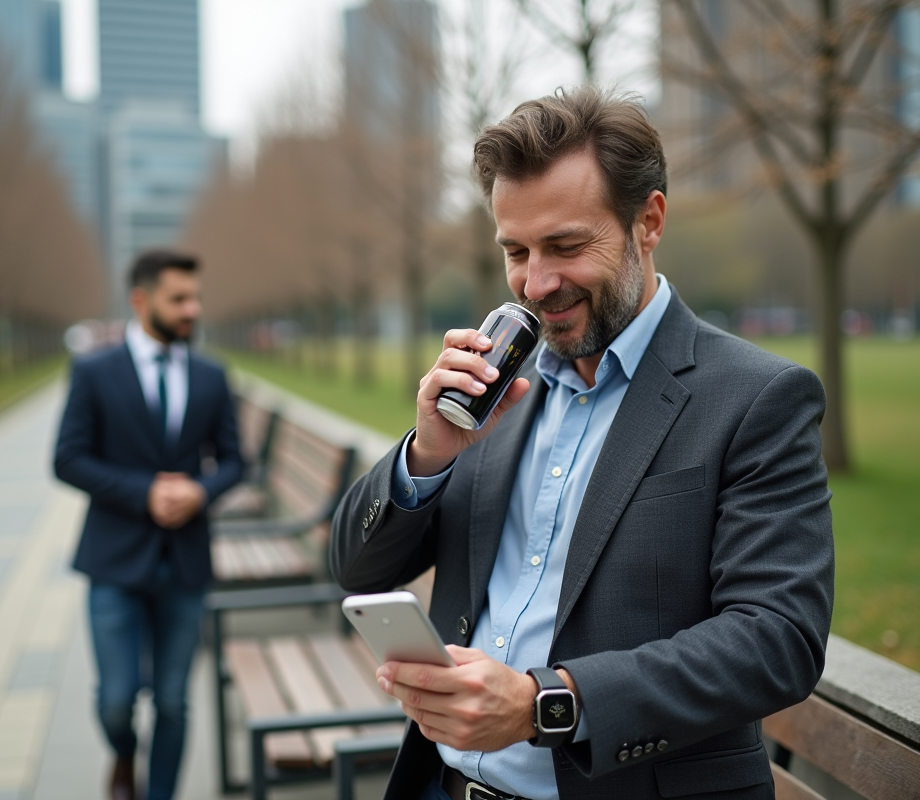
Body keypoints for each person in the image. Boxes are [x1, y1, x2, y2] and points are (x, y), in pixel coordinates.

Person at [330, 87, 834, 800]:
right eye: (516, 251)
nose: (537, 283)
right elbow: (353, 564)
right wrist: (427, 453)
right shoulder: (493, 388)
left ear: (648, 221)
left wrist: (547, 701)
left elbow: (776, 640)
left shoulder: (757, 398)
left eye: (566, 245)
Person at [54, 250, 242, 800]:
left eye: (196, 297)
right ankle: (122, 753)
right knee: (116, 700)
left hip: (185, 563)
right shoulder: (92, 372)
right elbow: (68, 459)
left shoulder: (211, 374)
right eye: (179, 299)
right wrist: (145, 493)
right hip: (113, 560)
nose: (193, 309)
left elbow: (233, 460)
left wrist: (199, 490)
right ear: (141, 301)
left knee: (173, 702)